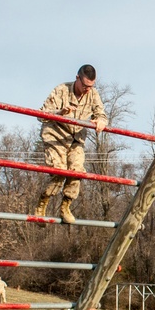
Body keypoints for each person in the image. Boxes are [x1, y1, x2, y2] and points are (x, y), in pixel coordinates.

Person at [33, 64, 108, 224]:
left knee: (77, 171)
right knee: (59, 171)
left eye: (91, 86)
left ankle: (65, 206)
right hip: (56, 134)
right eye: (85, 86)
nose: (87, 89)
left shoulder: (93, 94)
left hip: (76, 138)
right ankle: (42, 204)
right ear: (77, 79)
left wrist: (100, 121)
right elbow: (41, 114)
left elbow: (101, 113)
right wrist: (59, 113)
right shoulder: (61, 90)